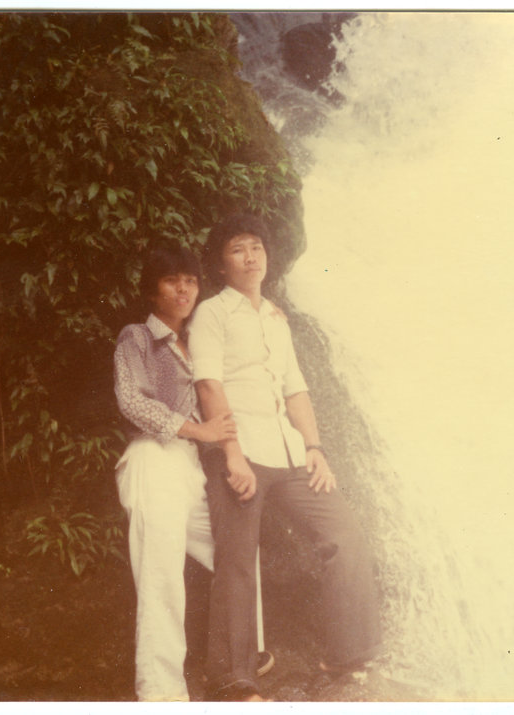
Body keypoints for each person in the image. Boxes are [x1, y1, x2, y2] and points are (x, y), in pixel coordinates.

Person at [189, 214, 382, 702]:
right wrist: (232, 455)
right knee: (236, 559)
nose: (250, 256)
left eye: (256, 246)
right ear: (220, 264)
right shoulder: (211, 313)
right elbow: (209, 385)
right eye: (238, 248)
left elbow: (295, 388)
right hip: (240, 451)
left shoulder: (276, 318)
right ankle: (233, 682)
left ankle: (347, 653)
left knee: (343, 533)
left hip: (289, 451)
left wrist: (314, 448)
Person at [113, 244, 271, 702]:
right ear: (152, 290)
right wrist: (200, 430)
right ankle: (161, 693)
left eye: (190, 281)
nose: (183, 289)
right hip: (152, 458)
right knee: (160, 573)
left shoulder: (199, 335)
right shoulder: (137, 338)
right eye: (171, 280)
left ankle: (246, 655)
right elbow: (132, 401)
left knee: (236, 552)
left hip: (189, 468)